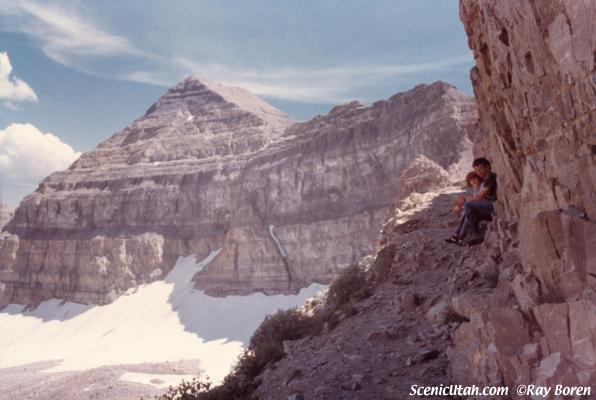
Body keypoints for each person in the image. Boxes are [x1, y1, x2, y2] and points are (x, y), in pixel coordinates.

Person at [445, 157, 497, 245]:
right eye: (476, 170)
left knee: (468, 206)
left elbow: (480, 197)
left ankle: (475, 234)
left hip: (493, 206)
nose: (479, 172)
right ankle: (458, 237)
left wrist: (463, 201)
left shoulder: (490, 177)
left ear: (487, 166)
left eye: (480, 168)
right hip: (488, 207)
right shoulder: (486, 179)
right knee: (467, 211)